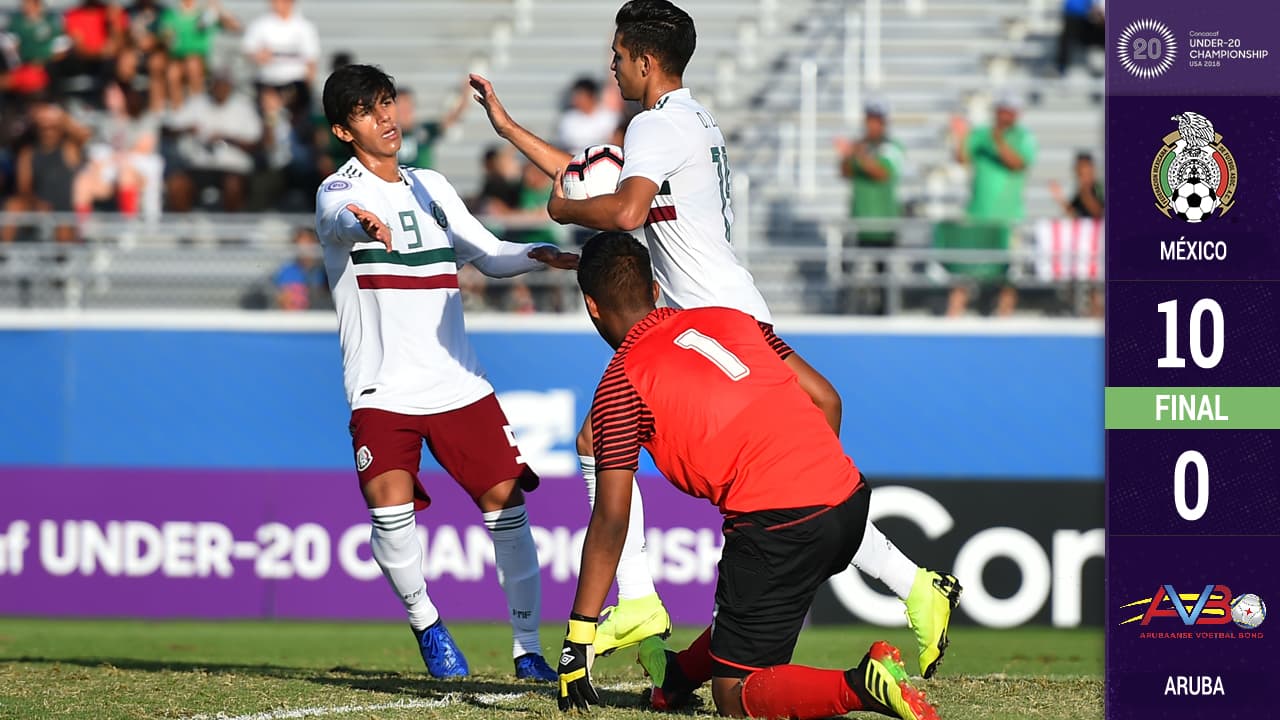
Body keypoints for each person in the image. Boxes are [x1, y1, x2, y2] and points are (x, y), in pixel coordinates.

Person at [470, 0, 960, 679]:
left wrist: (559, 213)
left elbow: (620, 209)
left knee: (597, 445)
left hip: (708, 319)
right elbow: (588, 175)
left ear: (645, 60)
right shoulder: (685, 120)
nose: (610, 64)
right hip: (732, 309)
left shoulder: (654, 126)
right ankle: (910, 581)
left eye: (617, 53)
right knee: (820, 411)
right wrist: (512, 130)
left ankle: (638, 596)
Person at [556, 232, 939, 720]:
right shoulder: (733, 319)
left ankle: (862, 685)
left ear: (591, 306)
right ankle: (674, 679)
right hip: (848, 498)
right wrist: (811, 484)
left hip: (779, 519)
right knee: (752, 604)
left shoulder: (620, 381)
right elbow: (827, 399)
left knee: (735, 694)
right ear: (655, 290)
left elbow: (612, 518)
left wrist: (579, 635)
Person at [313, 63, 578, 681]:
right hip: (382, 389)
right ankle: (428, 625)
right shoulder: (336, 191)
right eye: (367, 111)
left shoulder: (430, 184)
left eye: (387, 103)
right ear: (342, 130)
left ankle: (526, 649)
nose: (385, 118)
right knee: (388, 509)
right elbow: (335, 218)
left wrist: (539, 256)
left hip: (458, 383)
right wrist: (362, 222)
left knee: (507, 507)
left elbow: (486, 252)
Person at [946, 93, 1037, 317]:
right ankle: (953, 315)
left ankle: (1004, 314)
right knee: (965, 270)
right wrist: (960, 136)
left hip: (1008, 216)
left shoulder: (1023, 137)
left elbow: (1017, 163)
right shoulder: (981, 134)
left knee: (1008, 274)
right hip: (978, 214)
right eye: (1002, 110)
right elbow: (962, 158)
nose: (1004, 115)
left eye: (1009, 111)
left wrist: (997, 140)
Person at [835, 99, 904, 314]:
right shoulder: (861, 147)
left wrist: (859, 154)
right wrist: (848, 154)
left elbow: (881, 173)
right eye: (869, 120)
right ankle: (849, 309)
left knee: (883, 273)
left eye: (876, 121)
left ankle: (883, 313)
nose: (871, 126)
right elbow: (845, 172)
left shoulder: (891, 148)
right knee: (848, 268)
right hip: (859, 220)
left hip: (884, 222)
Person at [555, 76, 620, 152]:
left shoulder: (610, 117)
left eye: (580, 95)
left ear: (591, 95)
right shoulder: (568, 119)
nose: (576, 99)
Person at [273, 226, 328, 310]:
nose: (304, 249)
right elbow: (283, 302)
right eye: (300, 244)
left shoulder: (325, 272)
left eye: (309, 243)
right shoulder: (286, 271)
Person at [1049, 151, 1102, 220]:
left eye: (1084, 169)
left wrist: (1085, 191)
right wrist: (1060, 198)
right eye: (1079, 170)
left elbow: (1098, 212)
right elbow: (1074, 214)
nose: (1080, 174)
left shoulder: (1099, 188)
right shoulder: (1080, 192)